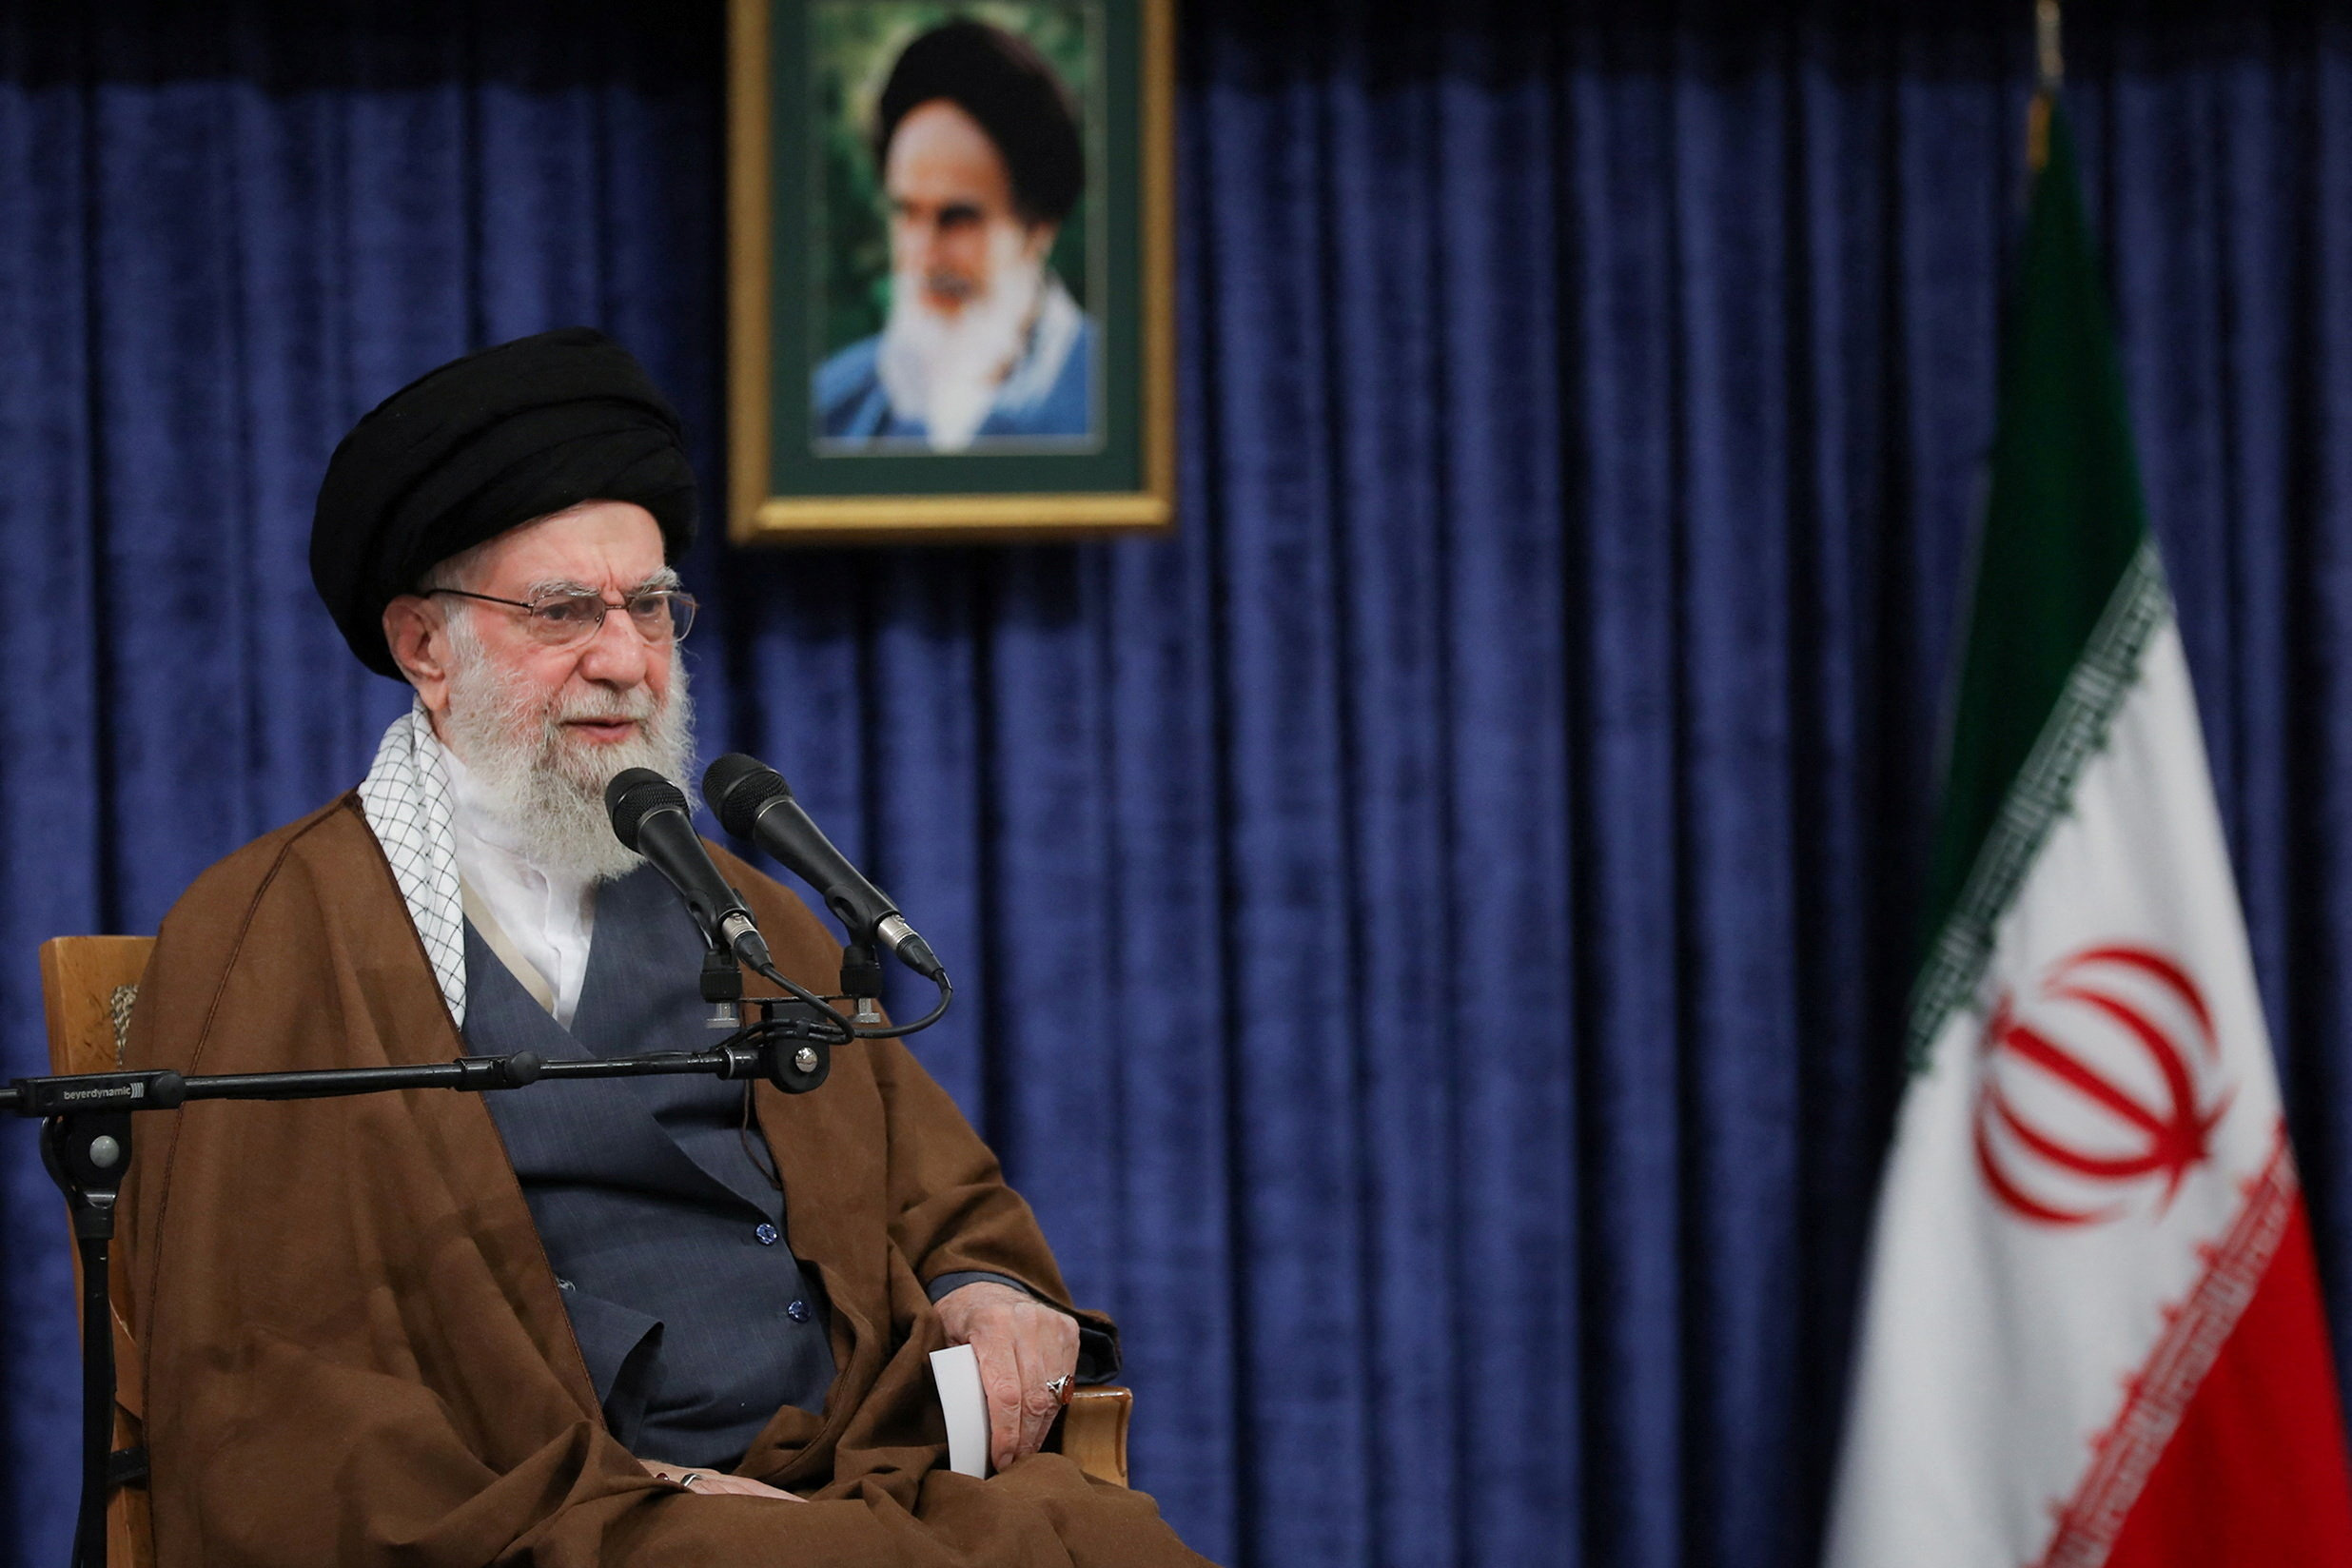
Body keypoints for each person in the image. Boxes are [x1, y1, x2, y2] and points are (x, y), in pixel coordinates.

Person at [117, 328, 1207, 1567]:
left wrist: (992, 1289)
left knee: (1102, 1539)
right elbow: (268, 1364)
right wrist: (641, 1489)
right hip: (557, 1506)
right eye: (564, 610)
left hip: (858, 1467)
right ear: (426, 646)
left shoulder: (740, 908)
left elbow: (935, 1193)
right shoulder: (278, 930)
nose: (627, 660)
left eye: (649, 606)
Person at [813, 19, 1095, 451]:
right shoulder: (832, 406)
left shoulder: (1111, 399)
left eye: (957, 218)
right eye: (906, 213)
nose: (922, 253)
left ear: (1038, 229)